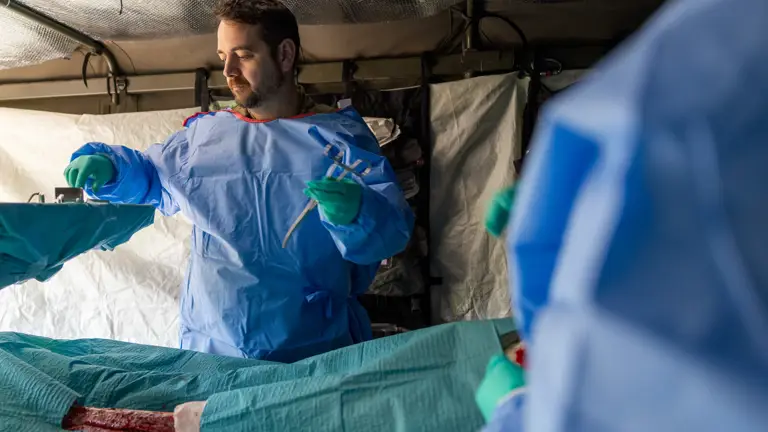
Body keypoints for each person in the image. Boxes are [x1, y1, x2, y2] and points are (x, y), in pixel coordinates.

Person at [62, 0, 414, 363]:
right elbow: (154, 177)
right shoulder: (205, 138)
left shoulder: (338, 141)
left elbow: (392, 230)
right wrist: (112, 168)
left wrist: (360, 213)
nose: (228, 70)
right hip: (213, 351)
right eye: (223, 56)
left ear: (285, 54)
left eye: (243, 55)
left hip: (311, 350)